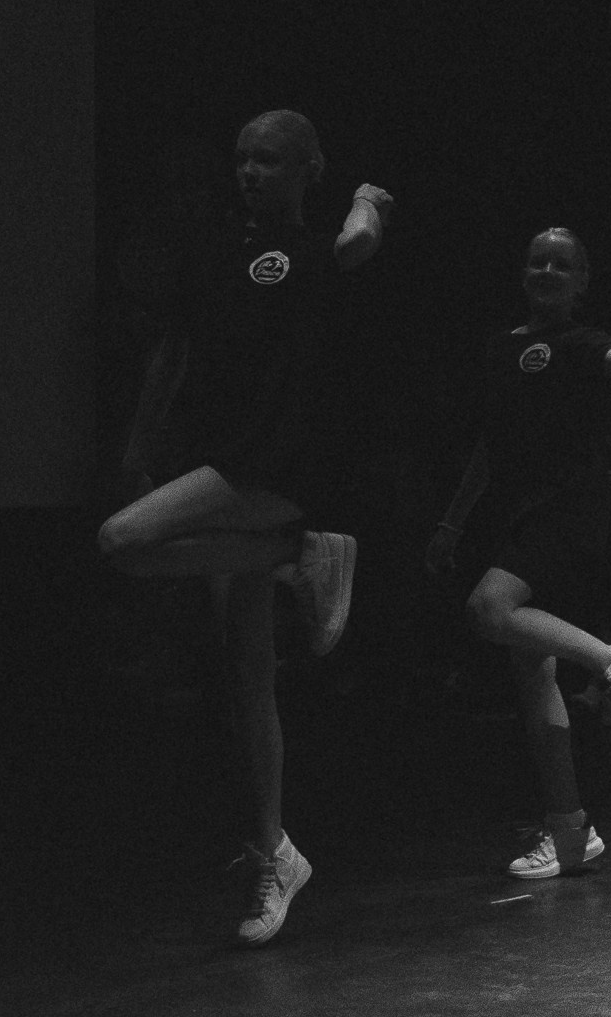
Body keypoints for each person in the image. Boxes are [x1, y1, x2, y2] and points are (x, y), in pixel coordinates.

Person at [96, 110, 392, 947]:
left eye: (267, 160)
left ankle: (300, 547)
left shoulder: (306, 251)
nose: (249, 172)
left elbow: (360, 239)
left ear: (306, 169)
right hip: (220, 461)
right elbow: (173, 350)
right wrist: (139, 447)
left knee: (120, 542)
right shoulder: (218, 250)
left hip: (278, 464)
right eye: (242, 159)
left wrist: (369, 197)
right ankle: (275, 850)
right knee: (247, 677)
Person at [427, 232, 611, 882]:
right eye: (538, 260)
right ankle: (569, 832)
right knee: (532, 670)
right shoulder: (498, 348)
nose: (548, 270)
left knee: (489, 608)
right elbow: (490, 444)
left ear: (582, 281)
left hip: (569, 509)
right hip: (514, 513)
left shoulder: (580, 342)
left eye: (563, 264)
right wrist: (452, 521)